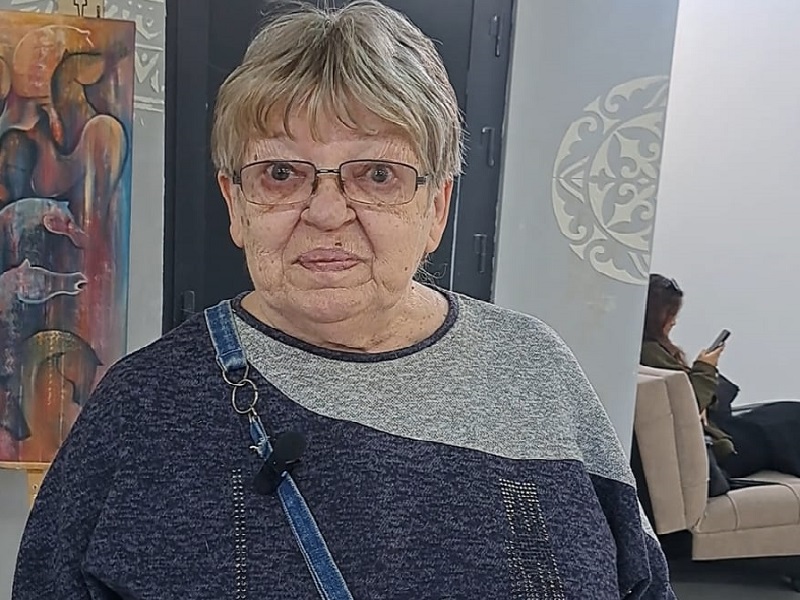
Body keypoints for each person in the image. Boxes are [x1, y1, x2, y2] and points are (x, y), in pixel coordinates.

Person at [12, 2, 675, 598]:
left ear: (436, 208)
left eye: (378, 174)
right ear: (235, 204)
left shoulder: (536, 371)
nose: (327, 211)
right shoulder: (140, 408)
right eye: (280, 172)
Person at [641, 273, 800, 479]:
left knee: (784, 413)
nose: (674, 322)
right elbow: (688, 406)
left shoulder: (644, 351)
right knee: (788, 422)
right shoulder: (649, 353)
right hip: (715, 450)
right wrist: (705, 368)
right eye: (670, 314)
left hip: (714, 433)